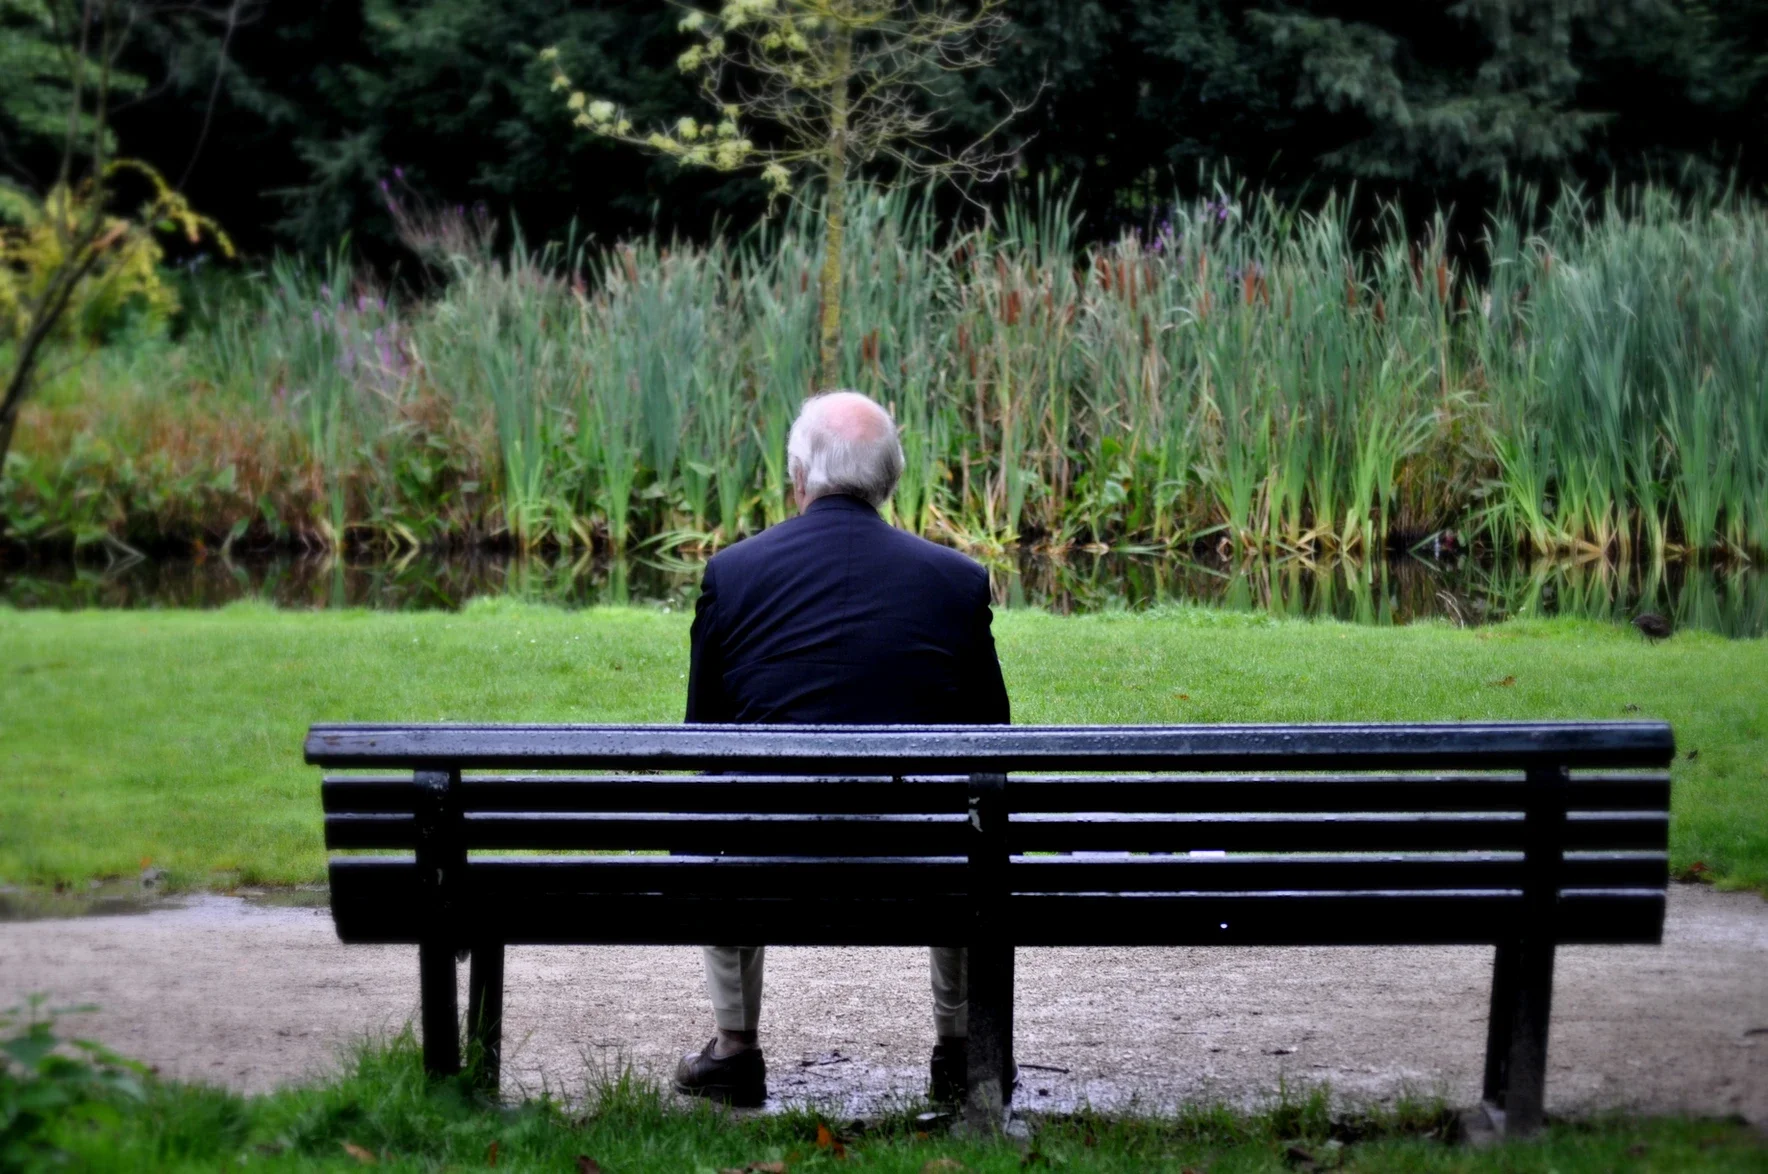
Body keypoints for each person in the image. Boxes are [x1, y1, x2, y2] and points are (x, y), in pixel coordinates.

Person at [674, 389, 1011, 1108]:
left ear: (799, 475)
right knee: (968, 827)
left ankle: (734, 1049)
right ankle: (959, 1051)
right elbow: (992, 744)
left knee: (720, 817)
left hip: (765, 860)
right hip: (923, 863)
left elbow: (702, 739)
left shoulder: (733, 576)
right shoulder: (954, 584)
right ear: (890, 481)